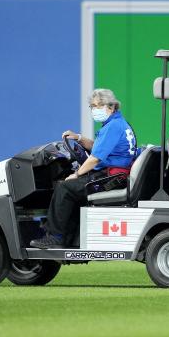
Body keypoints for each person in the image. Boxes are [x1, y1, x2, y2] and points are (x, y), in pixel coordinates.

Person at [30, 89, 137, 249]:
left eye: (99, 105)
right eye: (92, 106)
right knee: (72, 187)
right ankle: (69, 236)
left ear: (111, 106)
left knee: (64, 188)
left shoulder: (113, 126)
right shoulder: (120, 123)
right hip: (116, 176)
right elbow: (98, 147)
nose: (95, 109)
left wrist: (77, 174)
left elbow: (94, 159)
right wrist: (79, 138)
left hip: (112, 179)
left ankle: (55, 237)